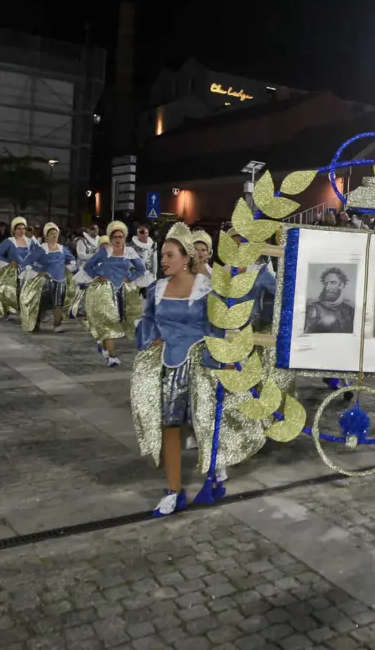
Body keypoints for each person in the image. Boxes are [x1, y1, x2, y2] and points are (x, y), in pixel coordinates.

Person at [132, 222, 265, 517]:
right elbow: (148, 320)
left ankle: (215, 469)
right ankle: (174, 490)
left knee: (202, 423)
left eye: (169, 255)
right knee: (169, 426)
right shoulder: (157, 289)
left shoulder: (207, 288)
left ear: (186, 257)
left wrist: (225, 358)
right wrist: (151, 337)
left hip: (201, 366)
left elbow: (223, 324)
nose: (163, 260)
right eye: (162, 255)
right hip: (166, 368)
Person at [85, 221, 154, 367]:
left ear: (124, 238)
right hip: (105, 291)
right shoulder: (104, 251)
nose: (118, 239)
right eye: (115, 236)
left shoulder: (130, 252)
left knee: (118, 322)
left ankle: (104, 346)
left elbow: (140, 269)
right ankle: (111, 356)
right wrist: (98, 275)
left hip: (124, 293)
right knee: (109, 320)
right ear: (110, 237)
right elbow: (88, 266)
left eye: (120, 237)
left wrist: (130, 277)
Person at [19, 223, 79, 333]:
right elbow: (27, 262)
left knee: (58, 303)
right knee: (42, 304)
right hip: (45, 281)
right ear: (46, 236)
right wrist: (37, 271)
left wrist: (71, 267)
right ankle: (36, 322)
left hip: (60, 280)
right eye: (51, 234)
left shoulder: (63, 249)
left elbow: (71, 260)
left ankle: (57, 325)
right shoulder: (41, 249)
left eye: (56, 234)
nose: (54, 236)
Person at [0, 217, 39, 319]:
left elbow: (40, 251)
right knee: (13, 290)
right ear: (14, 230)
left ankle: (28, 311)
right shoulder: (9, 241)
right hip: (13, 271)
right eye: (19, 229)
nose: (21, 231)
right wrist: (8, 262)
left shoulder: (30, 241)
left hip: (27, 270)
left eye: (23, 228)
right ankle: (12, 311)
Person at [303, 267, 356, 333]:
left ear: (341, 285)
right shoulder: (314, 309)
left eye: (332, 283)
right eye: (326, 283)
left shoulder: (350, 311)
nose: (327, 287)